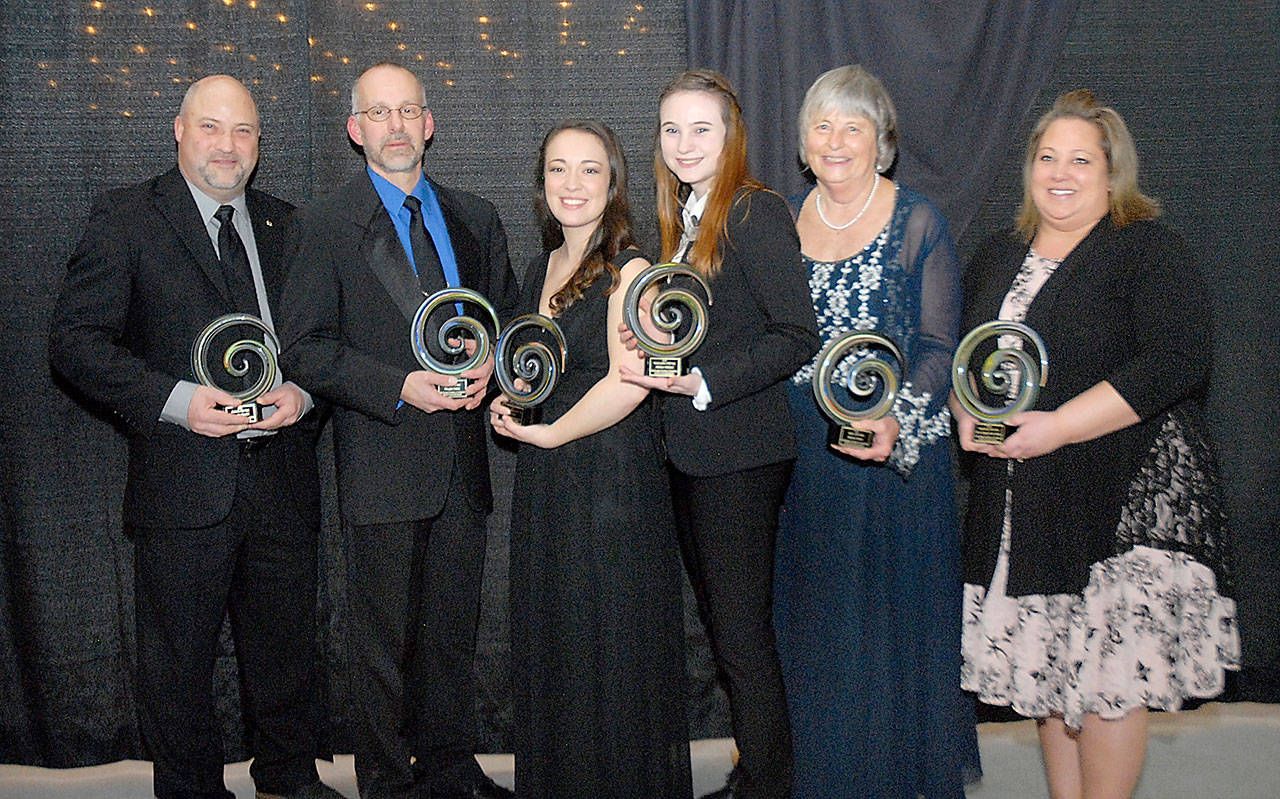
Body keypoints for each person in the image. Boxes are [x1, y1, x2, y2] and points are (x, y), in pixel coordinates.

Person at [48, 75, 339, 799]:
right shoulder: (126, 217)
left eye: (243, 132)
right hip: (182, 483)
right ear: (178, 129)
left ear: (260, 144)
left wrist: (302, 397)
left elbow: (320, 344)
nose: (228, 146)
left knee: (288, 654)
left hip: (281, 479)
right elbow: (76, 342)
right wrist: (177, 400)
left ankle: (287, 777)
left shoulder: (289, 223)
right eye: (212, 127)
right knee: (176, 664)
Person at [953, 89, 1239, 799]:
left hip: (1124, 500)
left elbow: (1176, 359)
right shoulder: (998, 255)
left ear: (1113, 173)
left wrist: (1059, 425)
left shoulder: (1146, 247)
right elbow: (972, 357)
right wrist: (966, 409)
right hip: (1032, 503)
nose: (1061, 172)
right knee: (1053, 667)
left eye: (1081, 159)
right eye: (1048, 157)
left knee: (1110, 679)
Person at [276, 62, 518, 799]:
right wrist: (397, 385)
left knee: (452, 635)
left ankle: (449, 768)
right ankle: (386, 780)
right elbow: (304, 347)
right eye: (379, 113)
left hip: (461, 465)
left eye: (408, 111)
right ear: (355, 130)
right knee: (380, 647)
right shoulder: (321, 224)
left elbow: (504, 323)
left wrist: (494, 371)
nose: (396, 126)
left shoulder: (474, 216)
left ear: (429, 122)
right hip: (381, 461)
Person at [771, 65, 979, 798]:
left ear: (881, 141)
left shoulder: (918, 219)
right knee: (820, 636)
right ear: (804, 140)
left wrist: (893, 416)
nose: (836, 141)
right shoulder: (782, 220)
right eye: (822, 125)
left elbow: (937, 346)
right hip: (802, 468)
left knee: (889, 639)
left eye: (853, 126)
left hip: (889, 463)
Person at [619, 69, 820, 799]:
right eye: (671, 129)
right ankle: (756, 770)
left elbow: (797, 333)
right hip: (693, 454)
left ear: (731, 134)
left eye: (700, 128)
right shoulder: (687, 217)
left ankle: (769, 785)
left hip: (739, 455)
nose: (684, 143)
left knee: (740, 635)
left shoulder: (753, 211)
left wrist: (703, 383)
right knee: (726, 628)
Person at [489, 119, 693, 799]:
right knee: (562, 647)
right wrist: (511, 401)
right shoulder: (541, 265)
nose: (572, 184)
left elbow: (629, 381)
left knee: (608, 649)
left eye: (589, 170)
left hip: (609, 481)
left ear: (613, 185)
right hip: (553, 482)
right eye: (557, 169)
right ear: (540, 184)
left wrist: (547, 433)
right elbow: (536, 367)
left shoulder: (630, 268)